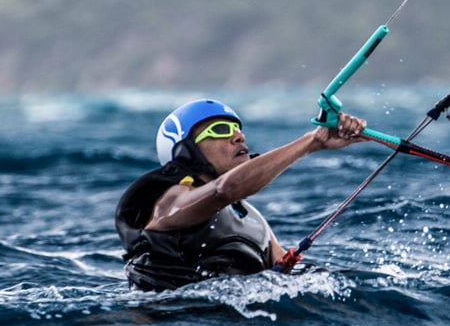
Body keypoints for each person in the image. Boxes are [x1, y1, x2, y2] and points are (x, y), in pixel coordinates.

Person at [114, 98, 367, 290]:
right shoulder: (167, 201)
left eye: (238, 129)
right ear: (186, 151)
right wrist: (313, 141)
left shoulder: (253, 220)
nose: (238, 136)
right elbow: (224, 190)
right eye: (221, 130)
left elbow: (296, 275)